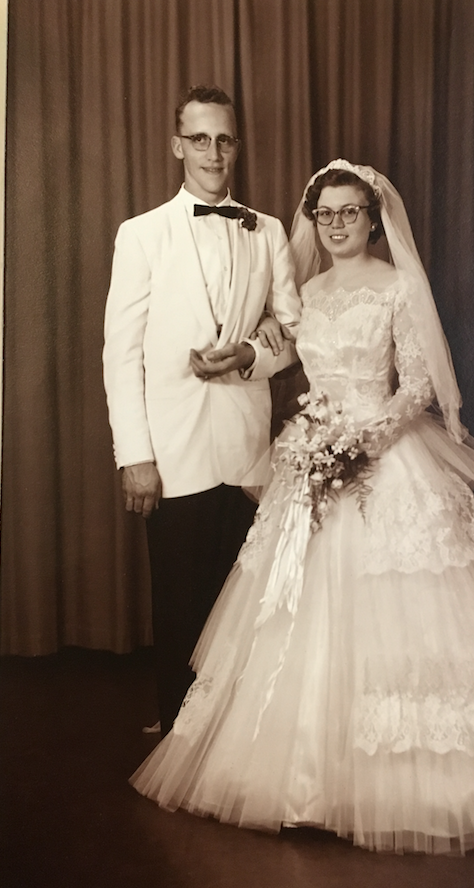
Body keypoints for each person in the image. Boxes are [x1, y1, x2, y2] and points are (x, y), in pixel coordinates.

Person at [129, 159, 474, 854]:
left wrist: (357, 441)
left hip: (382, 459)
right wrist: (243, 362)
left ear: (373, 218)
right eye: (324, 214)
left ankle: (400, 780)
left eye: (349, 212)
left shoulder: (396, 287)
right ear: (312, 219)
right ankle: (301, 779)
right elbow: (285, 350)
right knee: (292, 614)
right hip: (312, 460)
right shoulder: (309, 289)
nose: (335, 226)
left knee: (404, 617)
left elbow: (414, 387)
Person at [102, 86, 301, 738]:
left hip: (245, 447)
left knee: (244, 599)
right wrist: (135, 456)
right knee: (180, 599)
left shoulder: (267, 229)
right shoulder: (141, 234)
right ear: (176, 145)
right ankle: (179, 732)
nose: (213, 153)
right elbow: (120, 353)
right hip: (174, 449)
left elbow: (295, 339)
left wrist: (248, 355)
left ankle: (237, 738)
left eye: (224, 139)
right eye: (199, 139)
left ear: (236, 146)